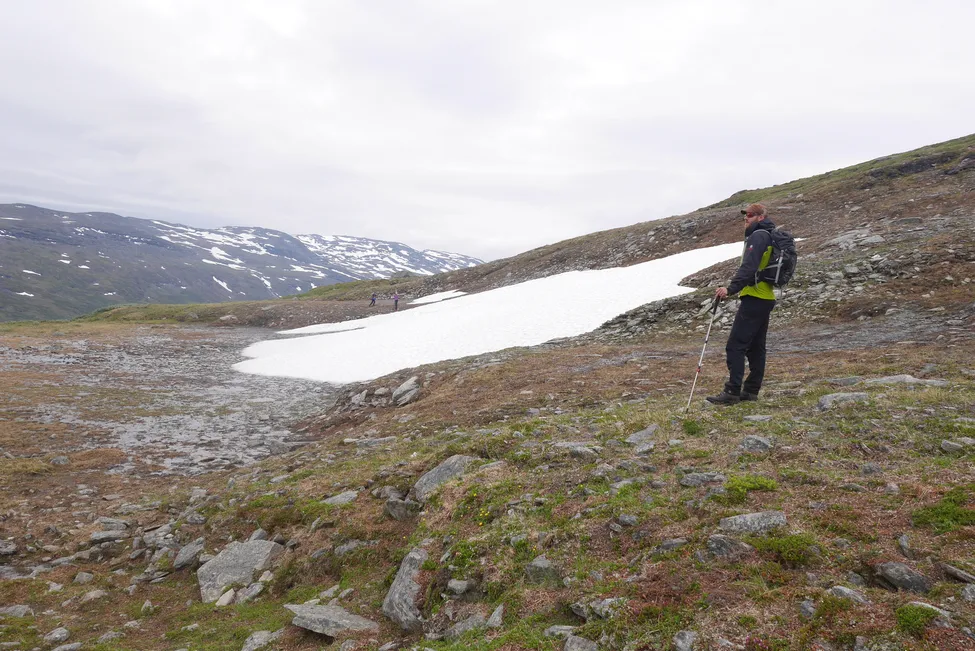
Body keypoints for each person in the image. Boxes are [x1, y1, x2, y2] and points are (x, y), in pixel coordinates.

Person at [707, 203, 778, 405]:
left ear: (761, 217)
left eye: (750, 215)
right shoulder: (770, 235)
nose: (746, 219)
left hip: (754, 297)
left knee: (735, 346)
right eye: (745, 215)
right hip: (765, 297)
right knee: (756, 347)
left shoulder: (759, 236)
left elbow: (749, 267)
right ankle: (751, 391)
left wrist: (730, 289)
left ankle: (732, 392)